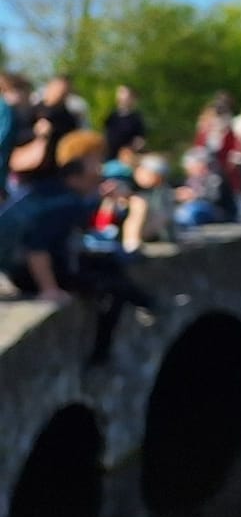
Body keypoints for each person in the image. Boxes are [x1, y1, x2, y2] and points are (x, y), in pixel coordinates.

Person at [0, 130, 155, 362]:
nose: (100, 170)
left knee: (109, 266)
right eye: (96, 161)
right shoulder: (65, 202)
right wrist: (49, 290)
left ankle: (147, 304)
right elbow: (36, 249)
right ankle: (103, 354)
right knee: (111, 287)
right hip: (26, 272)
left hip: (30, 266)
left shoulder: (52, 191)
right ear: (79, 169)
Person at [10, 75, 80, 185]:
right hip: (28, 172)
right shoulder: (33, 111)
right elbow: (16, 137)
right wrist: (35, 132)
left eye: (64, 91)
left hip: (56, 173)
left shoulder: (69, 119)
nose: (60, 93)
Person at [122, 155, 178, 251]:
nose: (138, 174)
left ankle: (132, 242)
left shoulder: (162, 192)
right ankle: (131, 242)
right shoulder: (130, 185)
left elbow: (165, 216)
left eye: (144, 172)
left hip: (152, 231)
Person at [102, 85, 147, 159]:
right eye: (120, 93)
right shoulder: (111, 116)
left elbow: (140, 140)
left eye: (124, 93)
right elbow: (105, 135)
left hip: (127, 158)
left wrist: (131, 151)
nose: (121, 96)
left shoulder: (136, 118)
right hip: (109, 156)